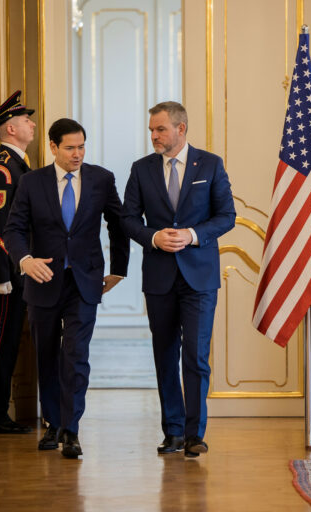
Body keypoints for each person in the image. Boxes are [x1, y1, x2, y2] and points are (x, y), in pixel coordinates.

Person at [3, 118, 129, 458]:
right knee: (46, 355)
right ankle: (53, 424)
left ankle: (71, 430)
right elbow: (13, 229)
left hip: (85, 282)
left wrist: (119, 270)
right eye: (70, 148)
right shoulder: (31, 182)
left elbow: (118, 224)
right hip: (42, 281)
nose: (78, 154)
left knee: (76, 355)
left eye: (82, 147)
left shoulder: (102, 179)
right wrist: (25, 260)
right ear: (53, 147)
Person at [122, 101, 236, 458]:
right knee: (165, 355)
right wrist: (154, 237)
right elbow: (127, 219)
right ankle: (172, 432)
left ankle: (194, 434)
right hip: (159, 277)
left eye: (160, 129)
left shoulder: (211, 164)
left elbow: (227, 216)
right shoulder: (141, 169)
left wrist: (192, 234)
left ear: (180, 128)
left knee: (196, 357)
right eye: (151, 130)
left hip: (199, 277)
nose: (154, 136)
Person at [0, 90, 35, 434]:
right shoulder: (3, 168)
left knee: (10, 342)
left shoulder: (17, 164)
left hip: (18, 270)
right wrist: (0, 274)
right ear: (11, 128)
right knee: (0, 343)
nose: (32, 125)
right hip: (8, 273)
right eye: (26, 120)